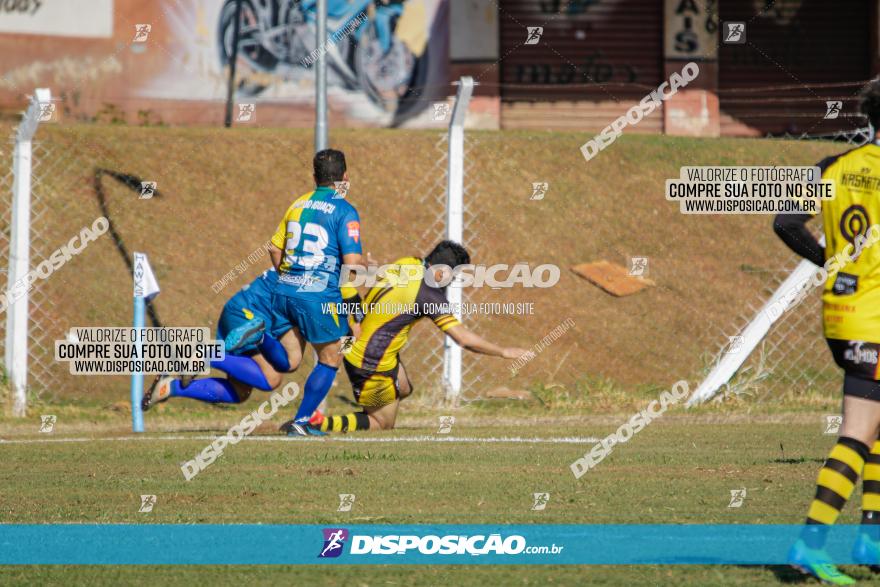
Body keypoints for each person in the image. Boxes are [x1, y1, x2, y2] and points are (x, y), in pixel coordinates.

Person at [774, 79, 880, 585]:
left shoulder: (832, 167)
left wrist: (831, 261)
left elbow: (786, 223)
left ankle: (872, 539)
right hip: (875, 321)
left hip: (841, 313)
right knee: (859, 430)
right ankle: (808, 545)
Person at [305, 240, 530, 434]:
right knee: (381, 424)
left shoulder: (408, 263)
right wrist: (503, 352)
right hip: (369, 360)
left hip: (366, 344)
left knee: (404, 387)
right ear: (441, 272)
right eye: (453, 275)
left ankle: (375, 402)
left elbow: (381, 286)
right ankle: (320, 423)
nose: (452, 282)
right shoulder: (427, 293)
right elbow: (462, 339)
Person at [267, 149, 365, 436]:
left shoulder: (298, 204)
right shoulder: (345, 210)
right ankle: (301, 421)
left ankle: (258, 337)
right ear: (345, 178)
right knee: (331, 357)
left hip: (284, 290)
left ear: (315, 177)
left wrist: (287, 276)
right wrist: (354, 306)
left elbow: (274, 247)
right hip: (318, 296)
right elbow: (352, 265)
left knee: (291, 360)